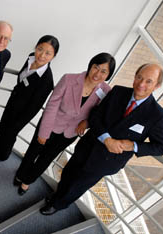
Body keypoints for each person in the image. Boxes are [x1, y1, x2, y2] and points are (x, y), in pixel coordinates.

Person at [40, 63, 163, 215]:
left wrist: (133, 145)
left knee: (79, 185)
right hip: (88, 146)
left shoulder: (158, 115)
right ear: (134, 77)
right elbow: (95, 115)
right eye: (139, 77)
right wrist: (107, 139)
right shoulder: (118, 91)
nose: (141, 84)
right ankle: (57, 195)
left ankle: (58, 204)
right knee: (69, 172)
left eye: (149, 81)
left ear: (157, 86)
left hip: (106, 161)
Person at [15, 53, 115, 195]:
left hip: (70, 133)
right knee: (33, 151)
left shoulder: (106, 91)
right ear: (90, 65)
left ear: (108, 75)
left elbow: (98, 114)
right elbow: (51, 106)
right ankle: (20, 174)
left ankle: (27, 181)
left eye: (103, 71)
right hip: (50, 124)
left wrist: (86, 123)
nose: (97, 74)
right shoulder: (69, 79)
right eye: (96, 67)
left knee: (46, 158)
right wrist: (44, 132)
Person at [0, 35, 60, 162]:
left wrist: (19, 124)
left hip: (22, 113)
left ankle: (2, 155)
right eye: (40, 49)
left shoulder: (46, 80)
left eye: (48, 53)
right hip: (13, 101)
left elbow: (34, 108)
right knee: (2, 127)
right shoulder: (31, 57)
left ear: (53, 57)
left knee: (10, 134)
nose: (42, 55)